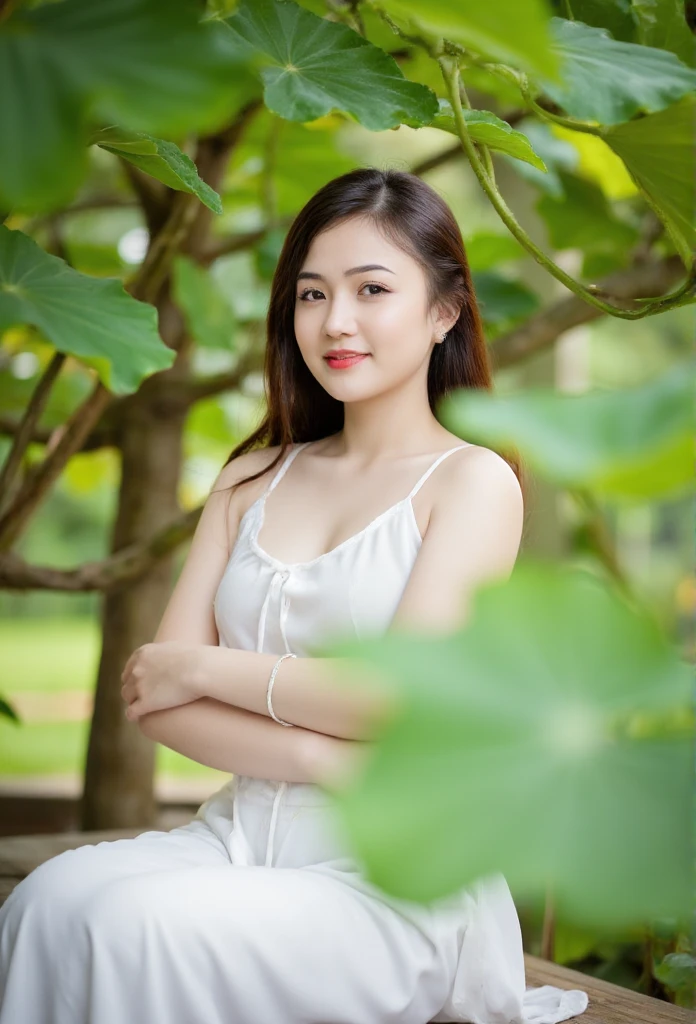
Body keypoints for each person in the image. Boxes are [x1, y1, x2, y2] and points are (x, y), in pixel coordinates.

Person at [0, 168, 589, 1024]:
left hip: (392, 876)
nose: (334, 322)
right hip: (234, 838)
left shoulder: (472, 482)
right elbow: (153, 697)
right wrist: (321, 757)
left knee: (138, 927)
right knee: (51, 903)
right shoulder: (253, 476)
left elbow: (385, 698)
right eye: (311, 294)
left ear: (444, 312)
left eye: (371, 290)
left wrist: (207, 666)